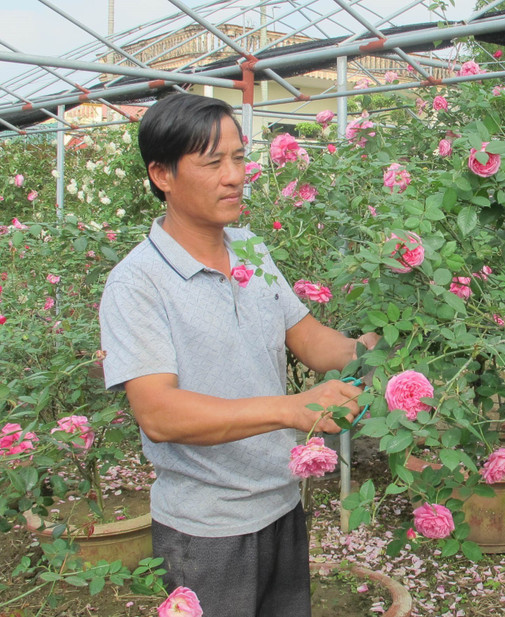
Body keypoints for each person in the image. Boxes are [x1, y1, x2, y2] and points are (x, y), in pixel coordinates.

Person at [99, 93, 376, 616]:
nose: (234, 177)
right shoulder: (137, 283)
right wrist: (293, 409)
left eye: (239, 158)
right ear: (161, 174)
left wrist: (384, 347)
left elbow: (311, 339)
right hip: (206, 532)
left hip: (281, 505)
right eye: (212, 163)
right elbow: (158, 413)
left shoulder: (250, 249)